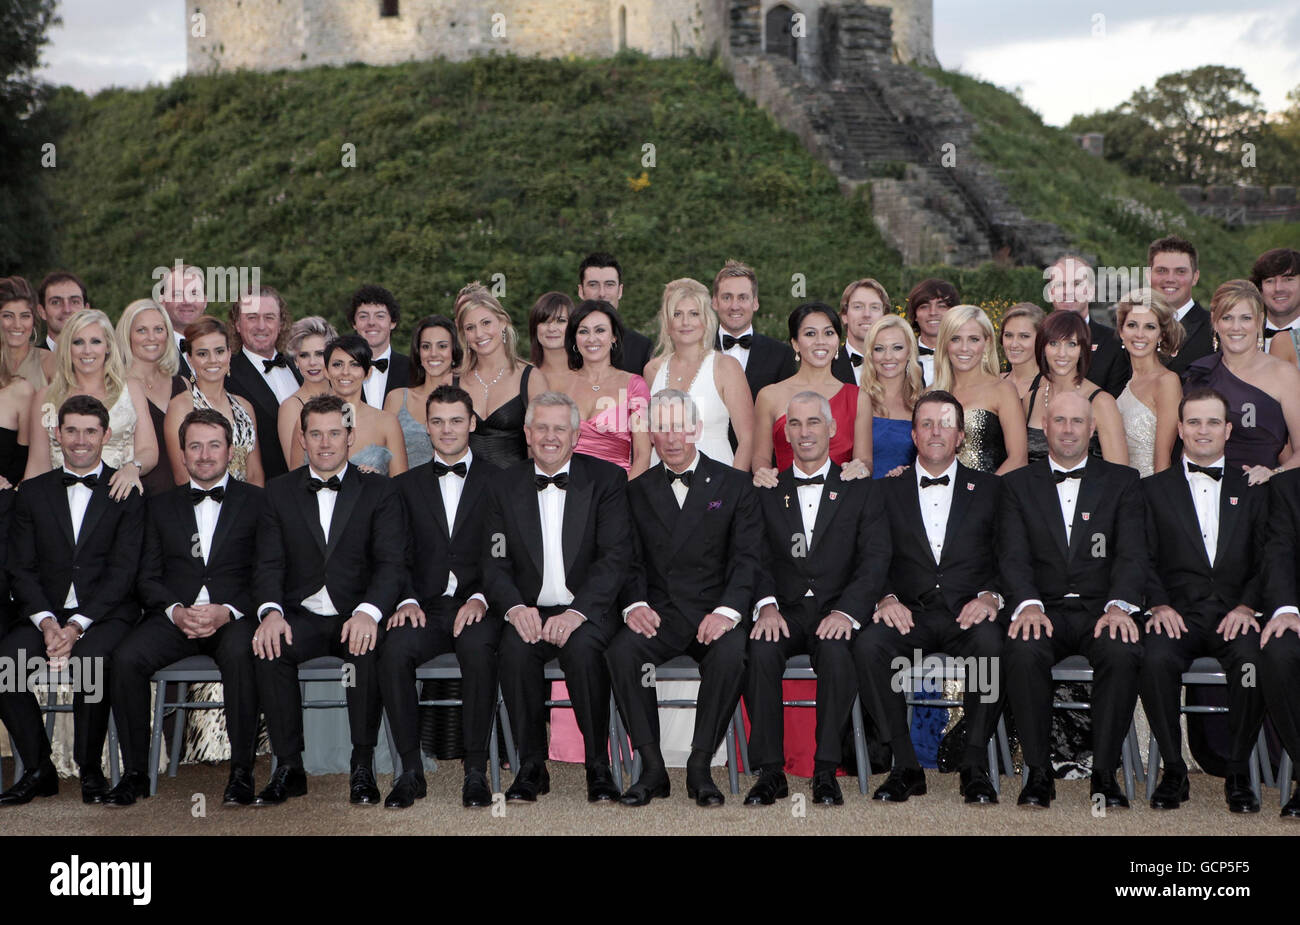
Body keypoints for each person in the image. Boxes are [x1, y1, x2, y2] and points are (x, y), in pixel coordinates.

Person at [250, 394, 405, 806]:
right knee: (268, 648)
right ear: (302, 437)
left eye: (334, 433)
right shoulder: (278, 493)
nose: (324, 443)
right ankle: (288, 766)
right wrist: (270, 613)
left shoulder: (379, 491)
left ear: (350, 437)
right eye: (315, 434)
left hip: (353, 614)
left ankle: (362, 764)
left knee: (367, 649)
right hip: (299, 615)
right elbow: (267, 564)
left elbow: (392, 564)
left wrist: (369, 613)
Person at [851, 391, 1005, 804]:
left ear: (959, 436)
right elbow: (870, 557)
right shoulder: (885, 491)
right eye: (926, 424)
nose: (936, 431)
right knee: (868, 646)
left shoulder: (991, 489)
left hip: (967, 612)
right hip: (909, 613)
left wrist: (991, 597)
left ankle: (974, 765)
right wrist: (883, 598)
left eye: (945, 423)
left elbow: (1007, 555)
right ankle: (905, 764)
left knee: (992, 644)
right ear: (914, 435)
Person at [609, 389, 760, 807]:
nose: (672, 437)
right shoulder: (635, 491)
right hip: (660, 614)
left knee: (730, 655)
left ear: (696, 428)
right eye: (662, 427)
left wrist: (728, 612)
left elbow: (747, 559)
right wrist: (634, 605)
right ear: (651, 433)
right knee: (623, 652)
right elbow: (626, 561)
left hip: (714, 612)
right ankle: (653, 767)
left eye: (680, 426)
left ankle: (699, 765)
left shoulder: (734, 484)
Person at [104, 409, 262, 807]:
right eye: (195, 446)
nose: (204, 455)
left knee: (244, 655)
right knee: (125, 658)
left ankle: (241, 771)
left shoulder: (260, 503)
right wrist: (175, 610)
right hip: (174, 616)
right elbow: (146, 577)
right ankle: (137, 772)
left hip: (232, 617)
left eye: (214, 446)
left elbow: (269, 573)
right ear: (183, 453)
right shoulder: (158, 506)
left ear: (230, 451)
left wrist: (228, 611)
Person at [481, 391, 631, 803]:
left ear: (576, 434)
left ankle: (598, 765)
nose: (550, 437)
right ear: (527, 434)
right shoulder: (502, 485)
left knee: (584, 654)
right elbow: (494, 560)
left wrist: (578, 612)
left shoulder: (607, 480)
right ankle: (531, 765)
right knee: (513, 651)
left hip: (586, 609)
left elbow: (616, 558)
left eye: (559, 428)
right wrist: (513, 608)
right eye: (541, 428)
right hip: (527, 607)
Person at [1000, 389, 1145, 809]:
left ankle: (1103, 773)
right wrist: (1026, 603)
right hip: (1042, 607)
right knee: (1023, 649)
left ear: (1092, 428)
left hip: (1102, 609)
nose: (1067, 429)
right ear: (1044, 427)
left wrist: (1120, 605)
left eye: (1077, 421)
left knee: (1122, 650)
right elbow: (1011, 555)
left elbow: (1133, 553)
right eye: (1059, 421)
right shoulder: (1016, 485)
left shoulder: (1123, 482)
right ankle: (1039, 773)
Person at [744, 391, 889, 806]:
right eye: (795, 423)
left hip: (836, 608)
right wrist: (766, 604)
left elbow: (875, 560)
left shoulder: (861, 489)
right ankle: (770, 772)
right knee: (759, 648)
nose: (804, 432)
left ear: (832, 428)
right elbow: (752, 557)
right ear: (785, 431)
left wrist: (847, 611)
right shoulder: (767, 489)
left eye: (813, 423)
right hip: (784, 609)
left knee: (838, 652)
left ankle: (826, 770)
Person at [0, 395, 145, 804]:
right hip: (43, 612)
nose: (80, 440)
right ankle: (38, 767)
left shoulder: (127, 492)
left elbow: (124, 572)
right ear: (57, 434)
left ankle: (90, 769)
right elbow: (20, 568)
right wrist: (48, 623)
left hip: (105, 614)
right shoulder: (32, 493)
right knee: (4, 666)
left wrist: (78, 625)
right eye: (72, 431)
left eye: (90, 431)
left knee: (91, 663)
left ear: (106, 435)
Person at [1139, 388, 1267, 813]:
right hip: (1179, 615)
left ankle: (1237, 770)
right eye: (1194, 422)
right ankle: (1174, 770)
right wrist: (1157, 604)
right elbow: (1140, 557)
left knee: (1251, 665)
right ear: (1180, 429)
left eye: (1212, 422)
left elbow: (1269, 556)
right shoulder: (1153, 490)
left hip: (1236, 614)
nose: (1203, 430)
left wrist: (1248, 606)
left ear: (1228, 429)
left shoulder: (1254, 488)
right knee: (1153, 659)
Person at [384, 385, 499, 808]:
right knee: (393, 650)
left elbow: (507, 554)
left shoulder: (501, 482)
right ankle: (410, 771)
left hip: (480, 604)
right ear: (426, 426)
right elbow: (395, 555)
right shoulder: (405, 486)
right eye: (437, 421)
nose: (447, 430)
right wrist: (407, 600)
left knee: (478, 650)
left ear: (471, 424)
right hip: (426, 606)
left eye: (456, 421)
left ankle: (475, 772)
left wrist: (483, 597)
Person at [25, 308, 158, 500]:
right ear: (67, 348)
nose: (87, 350)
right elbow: (37, 466)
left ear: (108, 346)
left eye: (95, 341)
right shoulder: (46, 397)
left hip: (119, 498)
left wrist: (133, 468)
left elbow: (149, 451)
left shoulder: (131, 389)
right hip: (60, 500)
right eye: (78, 342)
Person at [1183, 279, 1300, 484]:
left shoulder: (1284, 374)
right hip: (1202, 490)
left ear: (1259, 320)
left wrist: (1274, 474)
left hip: (1262, 493)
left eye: (1246, 318)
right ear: (1215, 321)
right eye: (1227, 318)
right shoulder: (1198, 374)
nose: (1236, 327)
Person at [644, 278, 754, 470]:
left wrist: (735, 490)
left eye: (694, 314)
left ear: (706, 320)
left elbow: (748, 438)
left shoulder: (725, 367)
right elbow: (647, 438)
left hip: (718, 481)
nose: (686, 322)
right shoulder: (652, 370)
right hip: (661, 480)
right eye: (677, 314)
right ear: (668, 323)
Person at [751, 302, 869, 473]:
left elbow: (865, 460)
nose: (820, 341)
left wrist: (861, 469)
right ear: (795, 344)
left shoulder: (858, 398)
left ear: (838, 342)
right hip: (784, 496)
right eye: (810, 334)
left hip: (842, 496)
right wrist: (763, 474)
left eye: (828, 333)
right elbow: (760, 457)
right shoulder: (769, 395)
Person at [164, 316, 264, 486]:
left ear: (229, 354)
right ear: (190, 359)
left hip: (247, 505)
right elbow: (182, 477)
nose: (212, 360)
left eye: (219, 351)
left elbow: (255, 473)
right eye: (202, 353)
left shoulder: (245, 406)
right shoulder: (181, 407)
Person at [456, 286, 548, 468]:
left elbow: (542, 446)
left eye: (486, 323)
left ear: (503, 322)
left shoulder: (531, 379)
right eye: (470, 327)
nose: (479, 334)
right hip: (464, 490)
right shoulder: (453, 381)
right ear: (464, 334)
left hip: (515, 490)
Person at [1023, 311, 1128, 466]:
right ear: (1042, 348)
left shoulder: (1101, 403)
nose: (1062, 353)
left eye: (1071, 344)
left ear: (1082, 350)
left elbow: (1120, 474)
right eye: (1054, 343)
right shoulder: (1030, 400)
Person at [932, 305, 1027, 474]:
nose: (964, 348)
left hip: (992, 495)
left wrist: (983, 494)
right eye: (955, 339)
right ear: (944, 343)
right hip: (938, 497)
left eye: (973, 339)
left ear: (987, 343)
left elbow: (1018, 459)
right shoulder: (930, 395)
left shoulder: (1003, 390)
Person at [562, 299, 650, 476]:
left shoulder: (634, 385)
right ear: (574, 339)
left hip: (617, 493)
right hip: (567, 491)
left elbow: (643, 454)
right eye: (583, 331)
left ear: (614, 337)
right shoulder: (559, 385)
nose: (591, 338)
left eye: (600, 330)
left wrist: (622, 497)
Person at [226, 286, 300, 479]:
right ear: (237, 324)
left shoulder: (300, 367)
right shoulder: (226, 376)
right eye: (252, 317)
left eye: (269, 317)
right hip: (265, 493)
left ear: (281, 323)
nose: (261, 326)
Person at [116, 299, 187, 495]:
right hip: (137, 498)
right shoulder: (115, 387)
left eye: (158, 329)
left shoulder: (183, 384)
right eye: (141, 330)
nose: (151, 337)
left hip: (185, 498)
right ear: (127, 335)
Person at [1261, 468, 1300, 818]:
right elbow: (1277, 554)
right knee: (1276, 653)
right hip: (1298, 615)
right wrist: (1287, 610)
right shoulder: (1286, 487)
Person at [316, 334, 408, 476]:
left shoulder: (387, 423)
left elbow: (401, 485)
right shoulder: (309, 420)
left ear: (368, 373)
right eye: (337, 364)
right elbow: (297, 482)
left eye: (355, 364)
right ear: (326, 371)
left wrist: (377, 484)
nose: (345, 372)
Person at [1114, 289, 1183, 477]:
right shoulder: (1126, 383)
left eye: (1150, 327)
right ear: (1121, 331)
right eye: (1132, 325)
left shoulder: (1167, 382)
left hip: (1150, 491)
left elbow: (1163, 459)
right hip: (1122, 491)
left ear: (1161, 335)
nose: (1139, 334)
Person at [1044, 254, 1130, 398]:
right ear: (1050, 292)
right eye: (1060, 284)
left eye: (1077, 284)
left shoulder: (1114, 343)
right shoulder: (1033, 340)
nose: (1068, 291)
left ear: (1091, 291)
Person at [712, 260, 797, 400]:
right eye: (727, 297)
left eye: (742, 298)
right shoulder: (698, 351)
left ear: (755, 303)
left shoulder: (782, 355)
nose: (734, 306)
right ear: (715, 302)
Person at [384, 314, 460, 470]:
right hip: (403, 490)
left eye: (442, 346)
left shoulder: (466, 399)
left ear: (454, 351)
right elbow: (384, 456)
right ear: (418, 353)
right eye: (426, 346)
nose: (433, 353)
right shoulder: (397, 398)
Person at [861, 314, 922, 478]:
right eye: (879, 349)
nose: (888, 356)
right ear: (870, 355)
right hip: (864, 498)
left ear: (910, 351)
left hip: (909, 498)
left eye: (897, 348)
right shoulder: (857, 401)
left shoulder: (922, 404)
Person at [278, 316, 339, 471]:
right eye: (304, 355)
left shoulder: (345, 398)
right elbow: (295, 469)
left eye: (319, 354)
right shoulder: (291, 407)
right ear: (296, 361)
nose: (312, 362)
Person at [578, 253, 653, 376]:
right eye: (593, 285)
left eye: (609, 285)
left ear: (620, 291)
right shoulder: (564, 344)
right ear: (581, 291)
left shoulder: (641, 347)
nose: (602, 293)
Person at [1150, 235, 1212, 376]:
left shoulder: (1214, 328)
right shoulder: (1132, 327)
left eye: (1180, 271)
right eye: (1161, 271)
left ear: (1195, 277)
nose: (1170, 279)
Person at [348, 284, 409, 407]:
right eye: (363, 316)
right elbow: (346, 420)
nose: (371, 322)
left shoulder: (413, 370)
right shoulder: (342, 372)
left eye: (380, 316)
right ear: (354, 323)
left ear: (393, 322)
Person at [832, 278, 890, 386]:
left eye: (874, 307)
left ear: (885, 317)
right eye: (858, 307)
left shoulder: (905, 369)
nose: (867, 314)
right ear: (844, 316)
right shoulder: (827, 368)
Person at [35, 272, 89, 382]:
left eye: (74, 301)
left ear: (86, 310)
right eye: (56, 302)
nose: (67, 310)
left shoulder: (104, 361)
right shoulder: (32, 362)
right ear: (42, 311)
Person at [157, 263, 206, 380]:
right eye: (178, 294)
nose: (186, 302)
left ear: (205, 301)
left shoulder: (221, 347)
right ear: (162, 302)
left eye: (194, 293)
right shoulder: (153, 352)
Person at [905, 278, 958, 386]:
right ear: (915, 315)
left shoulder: (965, 356)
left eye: (941, 306)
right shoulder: (900, 356)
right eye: (924, 306)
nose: (933, 312)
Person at [0, 276, 48, 389]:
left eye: (25, 316)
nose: (17, 325)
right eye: (8, 316)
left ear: (33, 320)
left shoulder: (50, 362)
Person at [1256, 248, 1300, 367]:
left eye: (1288, 279)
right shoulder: (1243, 338)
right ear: (1260, 290)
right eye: (1270, 281)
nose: (1278, 288)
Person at [1000, 302, 1045, 401]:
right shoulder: (993, 382)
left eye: (1024, 336)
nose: (1014, 344)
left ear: (1040, 339)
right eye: (1008, 335)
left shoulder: (1048, 388)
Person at [528, 291, 573, 388]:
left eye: (561, 321)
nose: (551, 328)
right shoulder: (524, 377)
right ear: (535, 327)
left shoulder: (590, 374)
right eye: (544, 321)